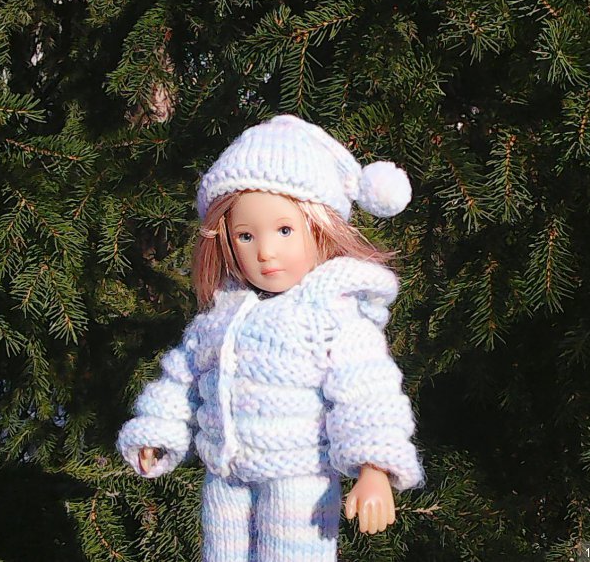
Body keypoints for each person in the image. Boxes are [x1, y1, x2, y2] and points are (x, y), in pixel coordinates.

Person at [117, 114, 424, 562]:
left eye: (284, 230)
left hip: (299, 480)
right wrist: (157, 430)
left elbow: (368, 395)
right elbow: (181, 378)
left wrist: (374, 468)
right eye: (245, 235)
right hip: (225, 475)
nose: (265, 251)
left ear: (320, 228)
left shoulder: (333, 315)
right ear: (225, 240)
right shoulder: (223, 315)